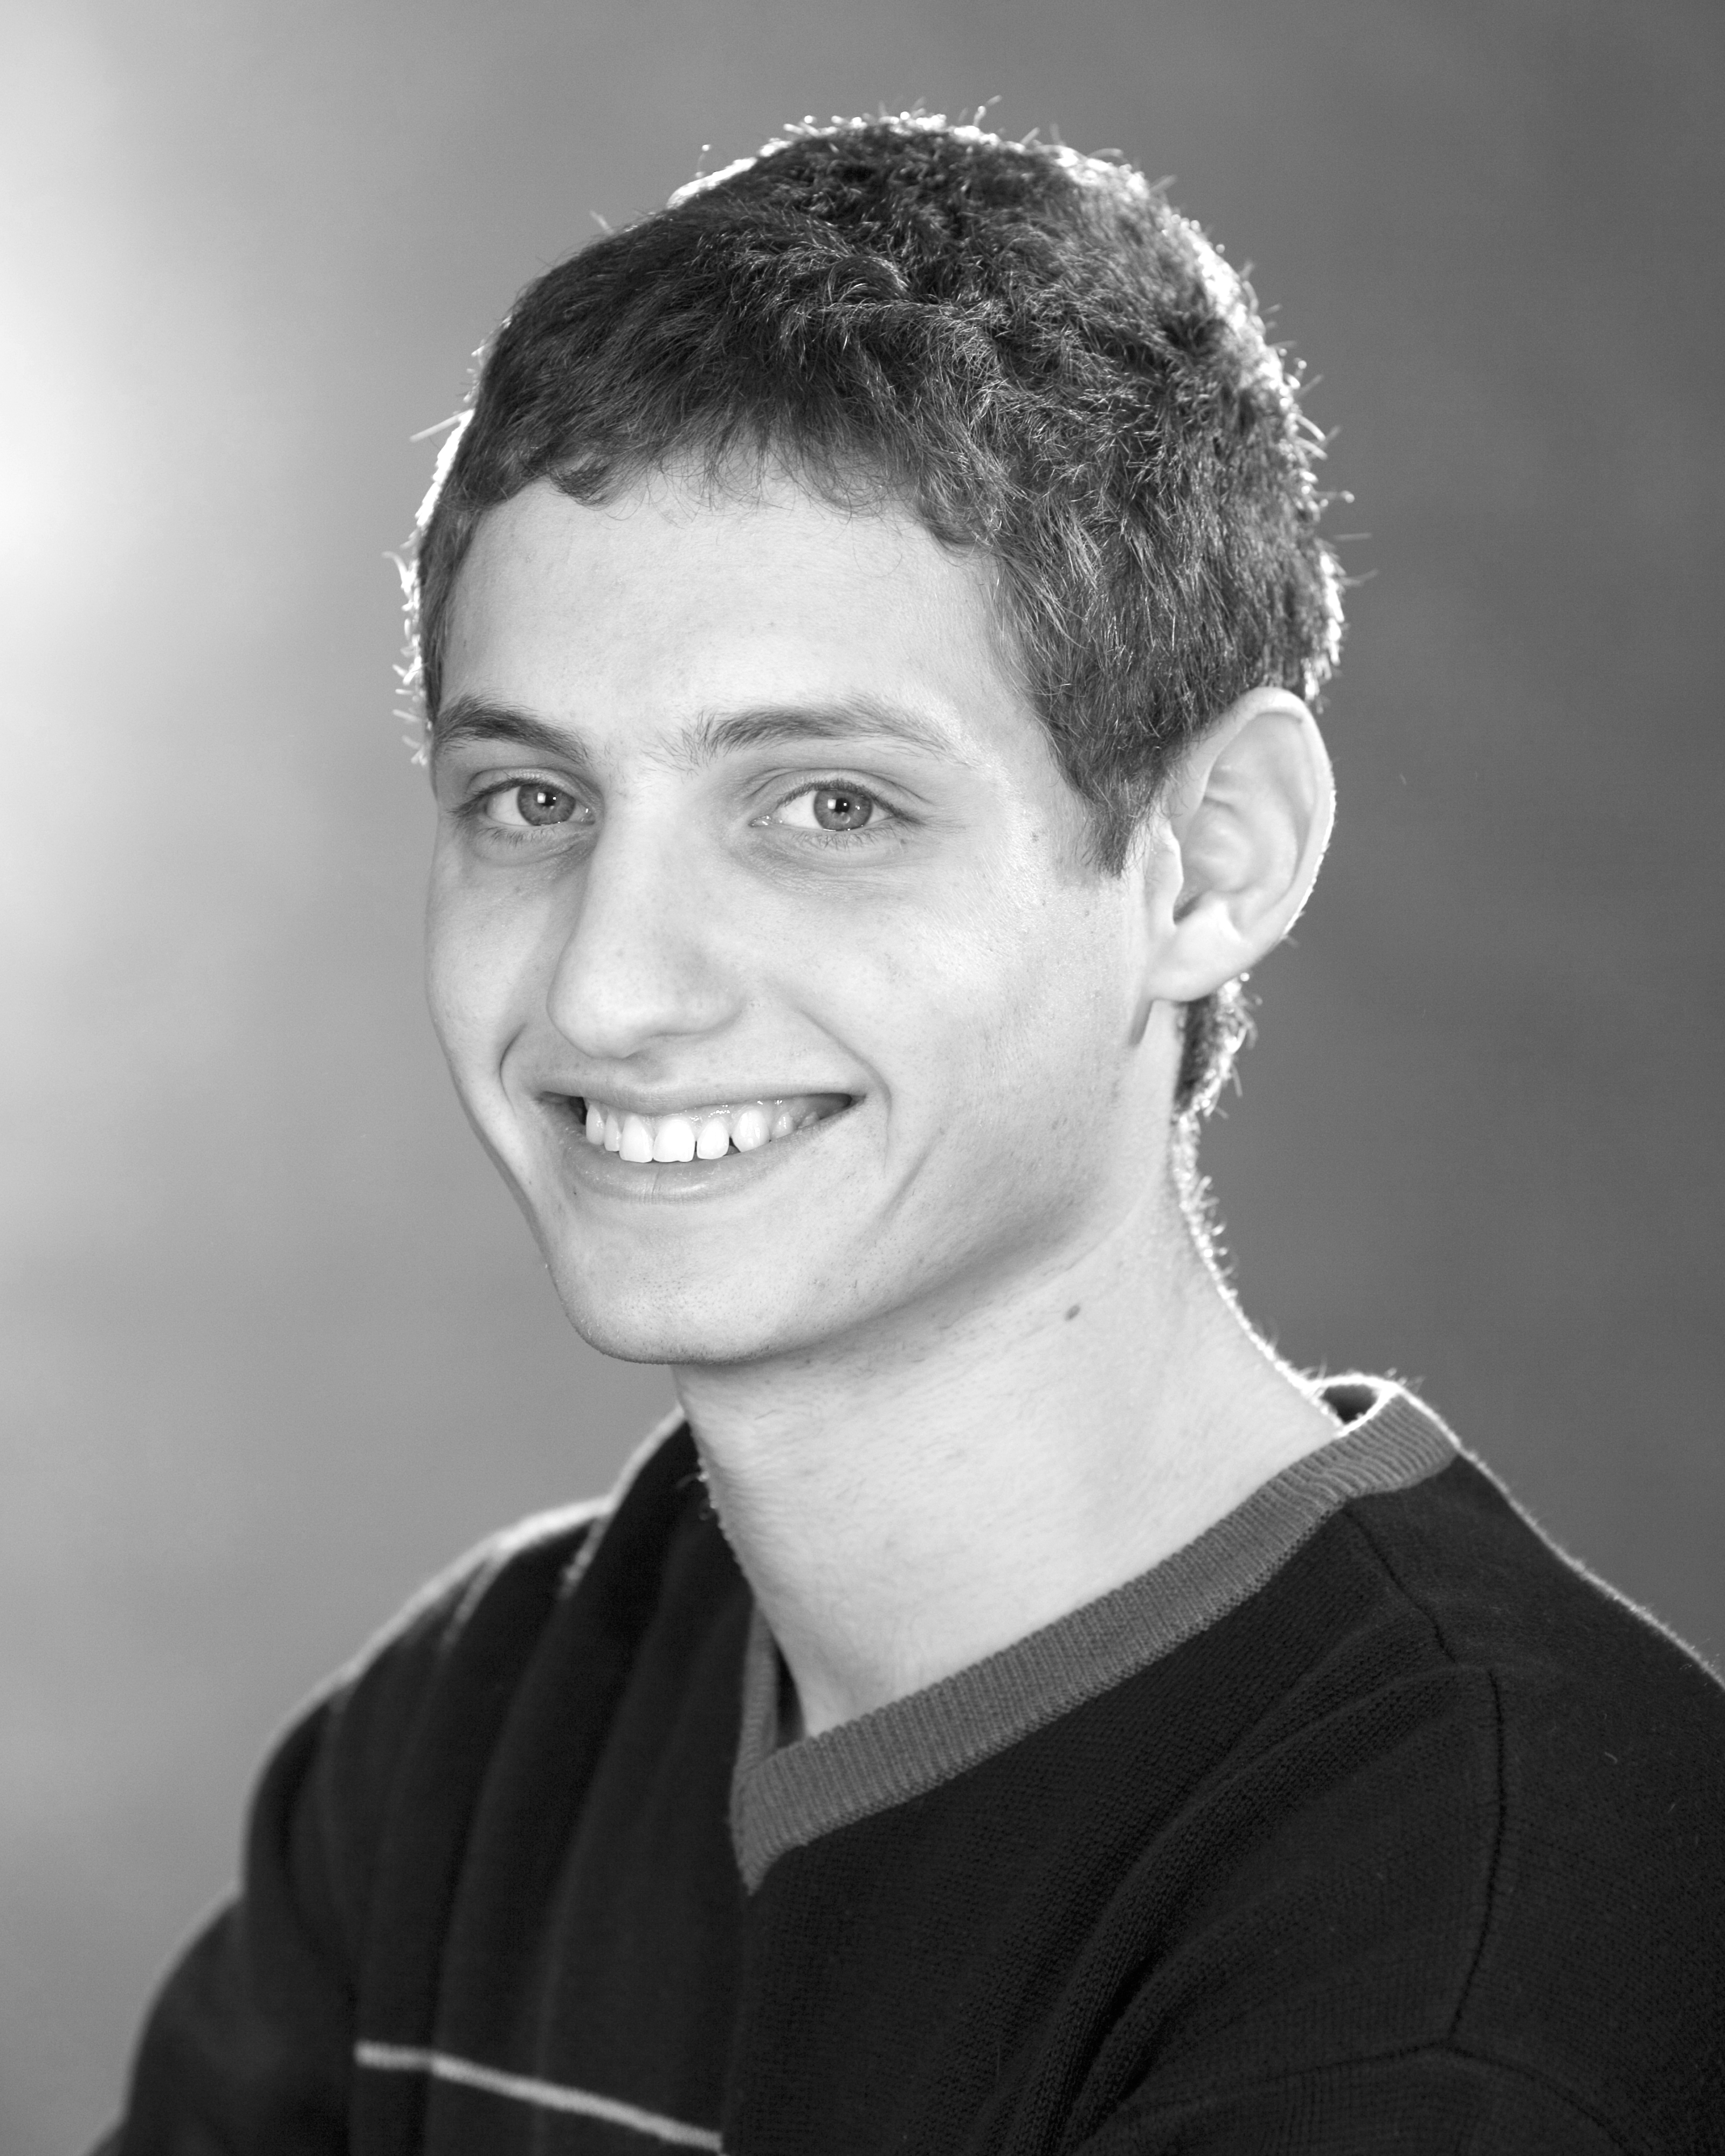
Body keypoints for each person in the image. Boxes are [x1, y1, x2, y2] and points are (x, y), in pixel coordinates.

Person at [101, 114, 1725, 2155]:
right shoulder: (468, 1742)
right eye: (532, 802)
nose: (610, 991)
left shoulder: (1474, 1954)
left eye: (830, 807)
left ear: (1215, 858)